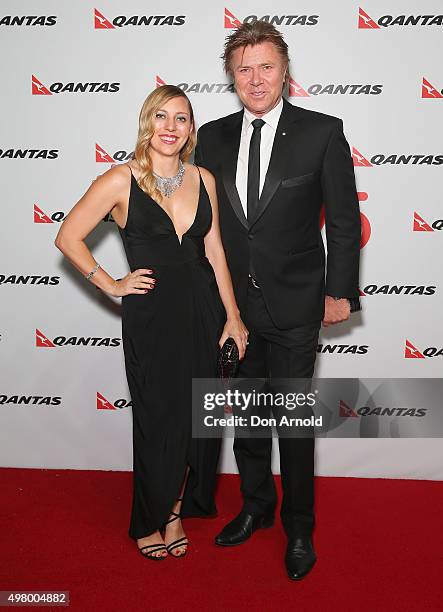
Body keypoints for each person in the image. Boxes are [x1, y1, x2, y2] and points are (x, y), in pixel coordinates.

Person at [195, 22, 361, 580]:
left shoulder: (321, 131)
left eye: (266, 66)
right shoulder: (211, 137)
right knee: (246, 419)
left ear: (285, 71)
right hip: (233, 311)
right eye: (244, 69)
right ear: (232, 77)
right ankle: (256, 508)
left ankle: (299, 529)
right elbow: (202, 224)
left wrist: (339, 292)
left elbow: (341, 222)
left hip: (296, 307)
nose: (256, 78)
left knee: (292, 423)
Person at [54, 85, 248, 560]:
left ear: (190, 129)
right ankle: (149, 516)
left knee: (194, 418)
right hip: (153, 317)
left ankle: (175, 511)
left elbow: (215, 251)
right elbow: (68, 236)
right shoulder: (120, 181)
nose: (170, 128)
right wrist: (111, 283)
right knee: (159, 417)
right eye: (161, 117)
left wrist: (234, 317)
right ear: (147, 122)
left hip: (204, 312)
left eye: (181, 119)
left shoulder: (203, 179)